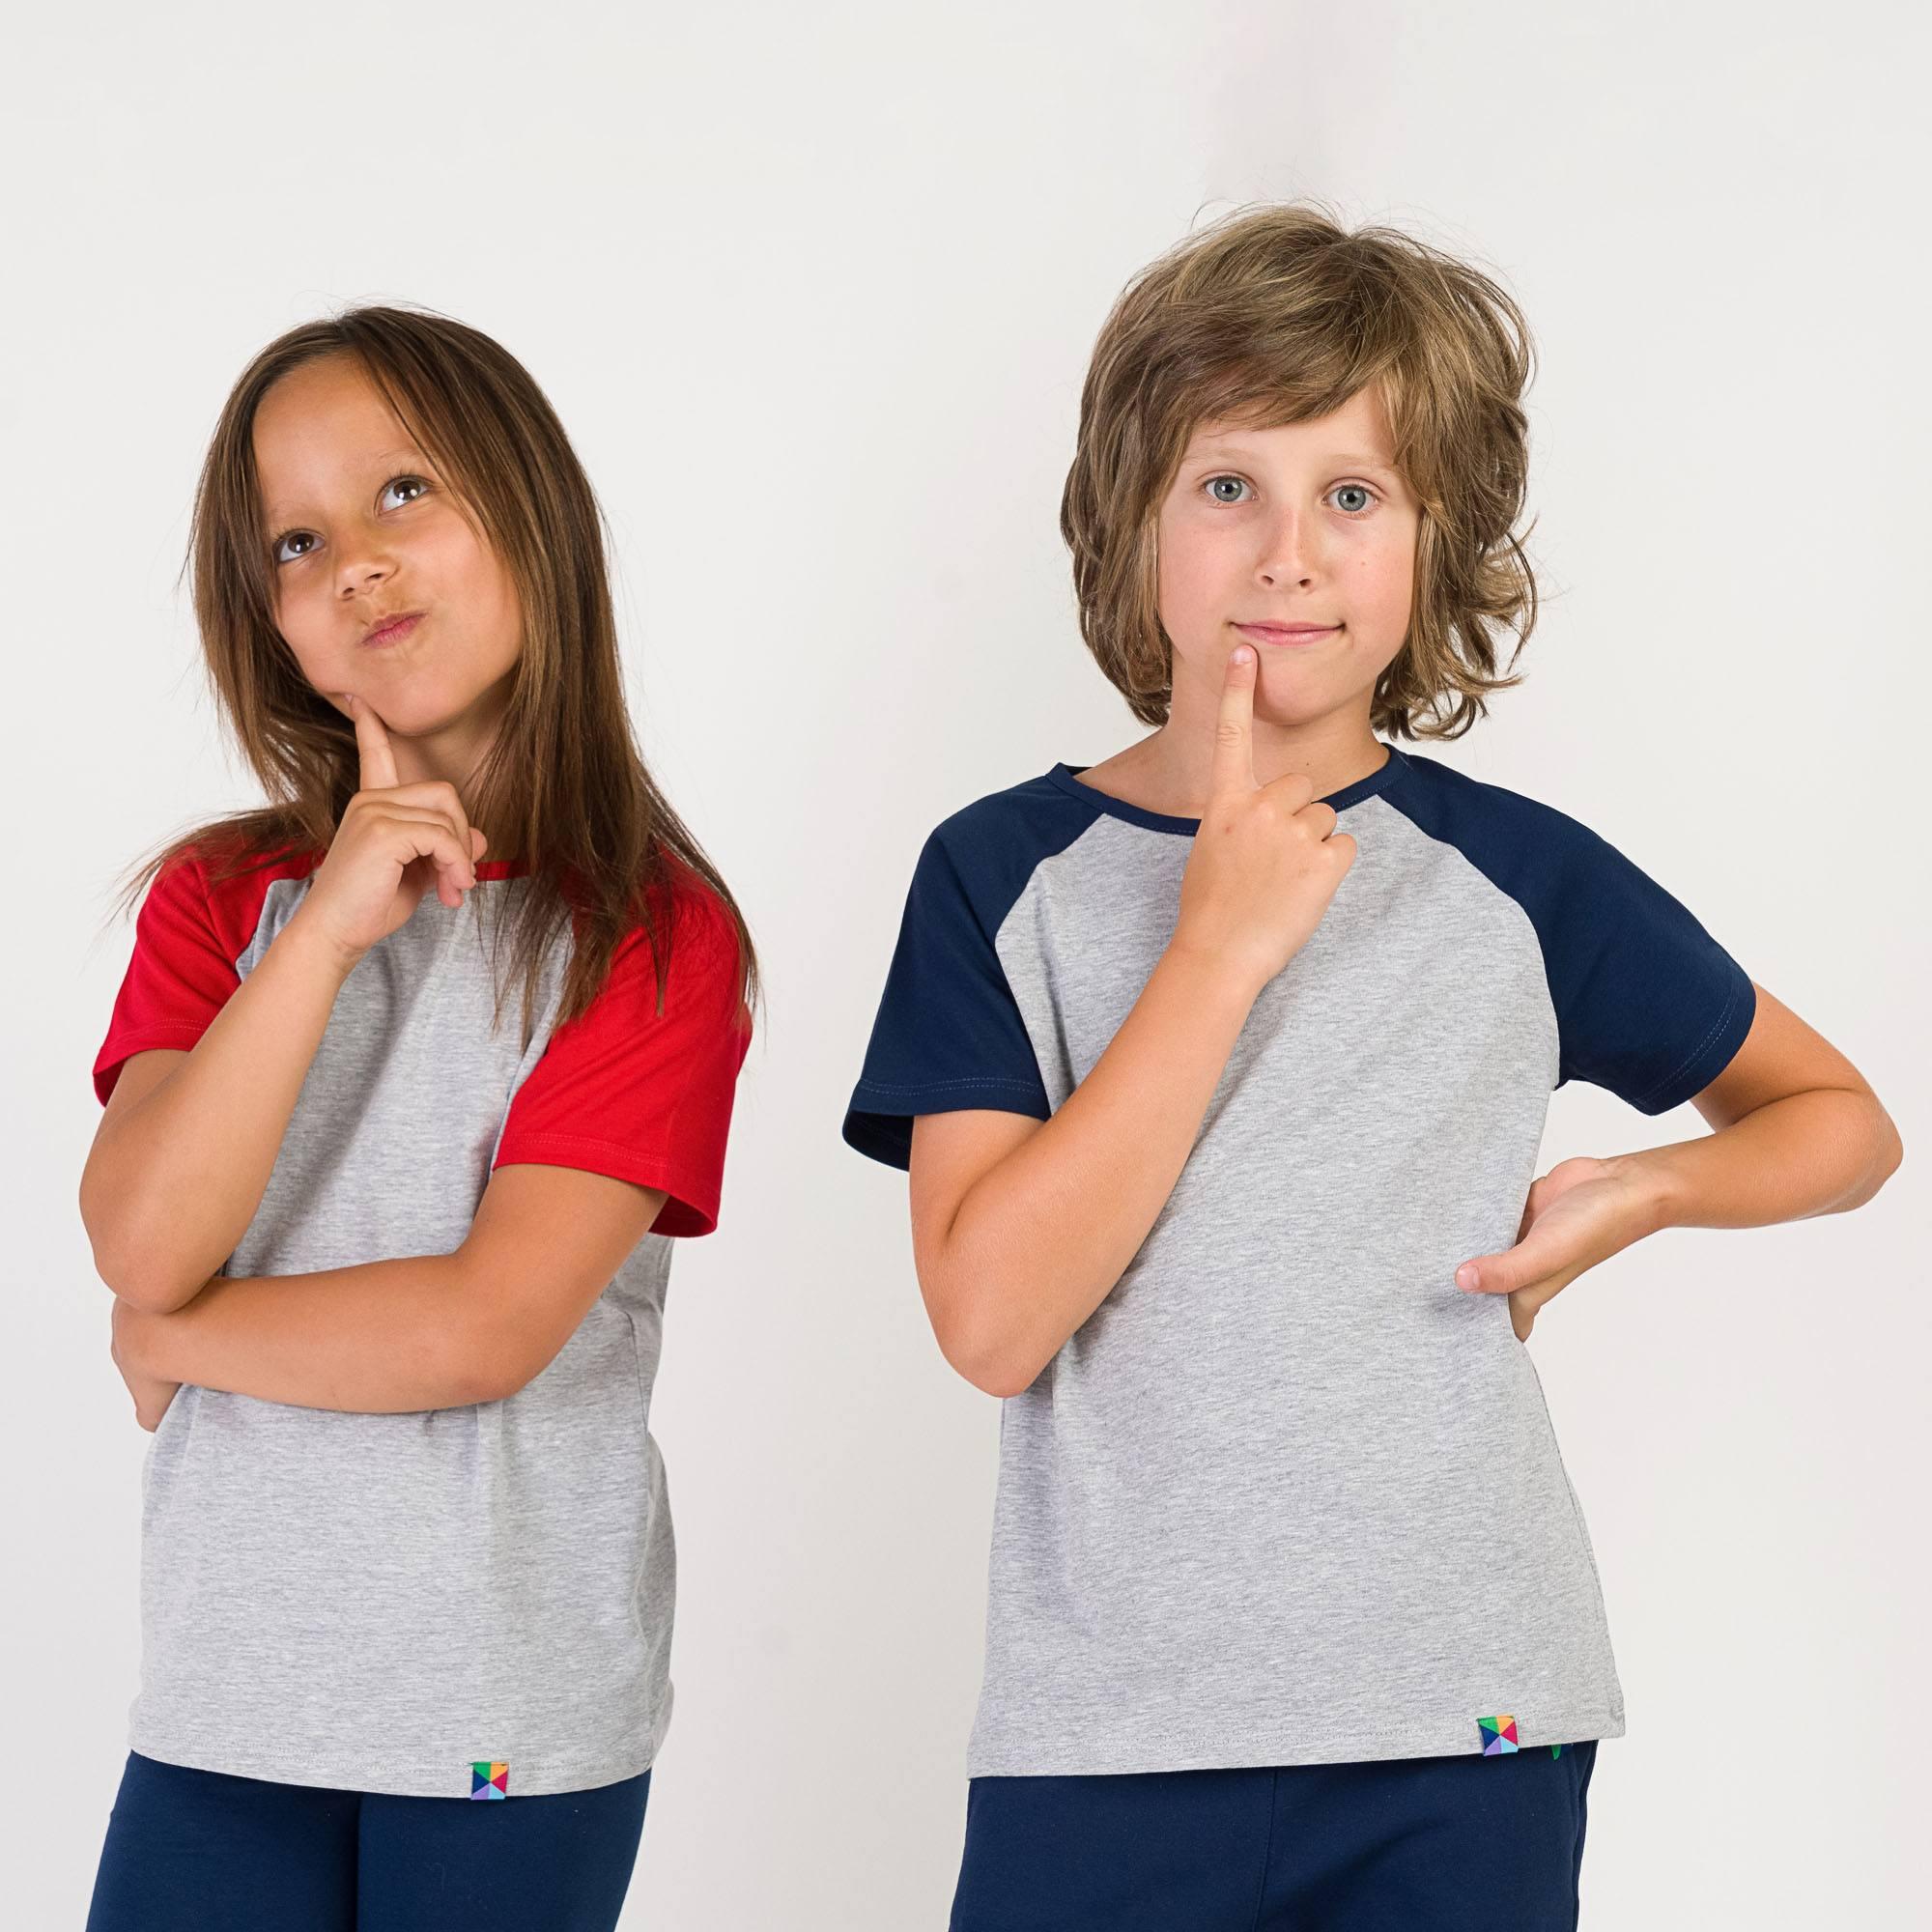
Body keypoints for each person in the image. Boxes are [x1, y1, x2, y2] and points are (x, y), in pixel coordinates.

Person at [841, 203, 1902, 1930]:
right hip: (1111, 1733)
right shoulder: (999, 875)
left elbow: (1844, 1125)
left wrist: (1644, 1188)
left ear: (1432, 543)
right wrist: (1216, 946)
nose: (1289, 553)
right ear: (1133, 527)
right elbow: (991, 1319)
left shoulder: (1519, 878)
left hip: (1464, 1722)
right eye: (1226, 485)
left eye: (1354, 494)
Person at [81, 307, 757, 1932]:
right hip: (227, 1702)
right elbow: (140, 1234)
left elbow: (480, 1329)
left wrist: (177, 1335)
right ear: (276, 626)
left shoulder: (650, 936)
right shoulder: (222, 903)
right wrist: (322, 932)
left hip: (505, 1720)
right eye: (299, 542)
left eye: (404, 496)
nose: (360, 567)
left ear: (530, 515)